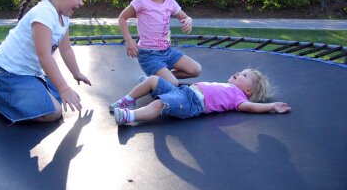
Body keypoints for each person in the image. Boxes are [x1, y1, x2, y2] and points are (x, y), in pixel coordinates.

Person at [0, 0, 91, 123]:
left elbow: (65, 49)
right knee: (54, 112)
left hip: (27, 74)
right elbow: (44, 56)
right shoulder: (43, 14)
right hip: (4, 75)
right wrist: (64, 88)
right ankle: (1, 102)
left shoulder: (63, 17)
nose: (81, 2)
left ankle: (7, 99)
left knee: (59, 97)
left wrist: (76, 73)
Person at [118, 0, 201, 86]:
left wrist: (189, 20)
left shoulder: (170, 1)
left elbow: (185, 17)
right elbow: (122, 18)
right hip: (149, 54)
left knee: (196, 70)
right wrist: (129, 41)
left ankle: (152, 80)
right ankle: (156, 81)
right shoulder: (141, 0)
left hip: (167, 51)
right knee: (173, 83)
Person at [110, 68, 291, 125]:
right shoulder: (228, 86)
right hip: (184, 91)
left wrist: (271, 106)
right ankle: (127, 100)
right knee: (152, 79)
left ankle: (129, 116)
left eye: (244, 76)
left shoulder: (239, 98)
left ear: (248, 91)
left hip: (191, 104)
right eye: (241, 71)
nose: (239, 73)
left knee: (160, 104)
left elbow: (251, 107)